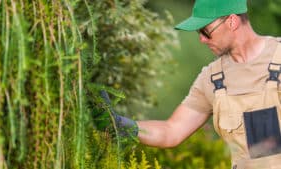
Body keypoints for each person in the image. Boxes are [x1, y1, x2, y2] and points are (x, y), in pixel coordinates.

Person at [94, 0, 281, 168]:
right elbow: (171, 131)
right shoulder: (214, 78)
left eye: (205, 31)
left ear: (232, 21)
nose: (201, 39)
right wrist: (120, 124)